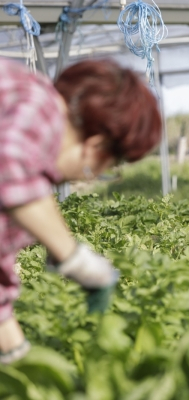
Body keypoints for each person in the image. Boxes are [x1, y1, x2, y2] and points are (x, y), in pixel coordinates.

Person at [0, 58, 162, 364]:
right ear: (95, 146)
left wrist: (19, 361)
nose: (88, 176)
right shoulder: (39, 104)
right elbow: (9, 164)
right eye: (108, 167)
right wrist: (73, 256)